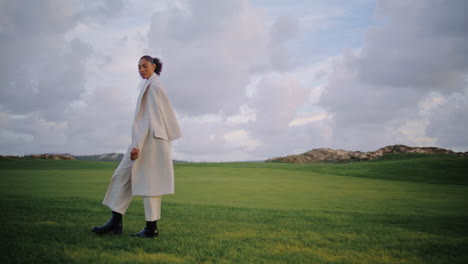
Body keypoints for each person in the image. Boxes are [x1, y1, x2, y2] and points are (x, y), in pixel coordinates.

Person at [92, 56, 182, 238]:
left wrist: (136, 145)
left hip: (149, 142)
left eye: (145, 66)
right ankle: (116, 222)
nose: (141, 70)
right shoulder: (151, 85)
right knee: (123, 177)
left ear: (154, 67)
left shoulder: (154, 86)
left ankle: (150, 228)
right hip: (147, 141)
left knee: (150, 184)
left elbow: (150, 118)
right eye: (139, 67)